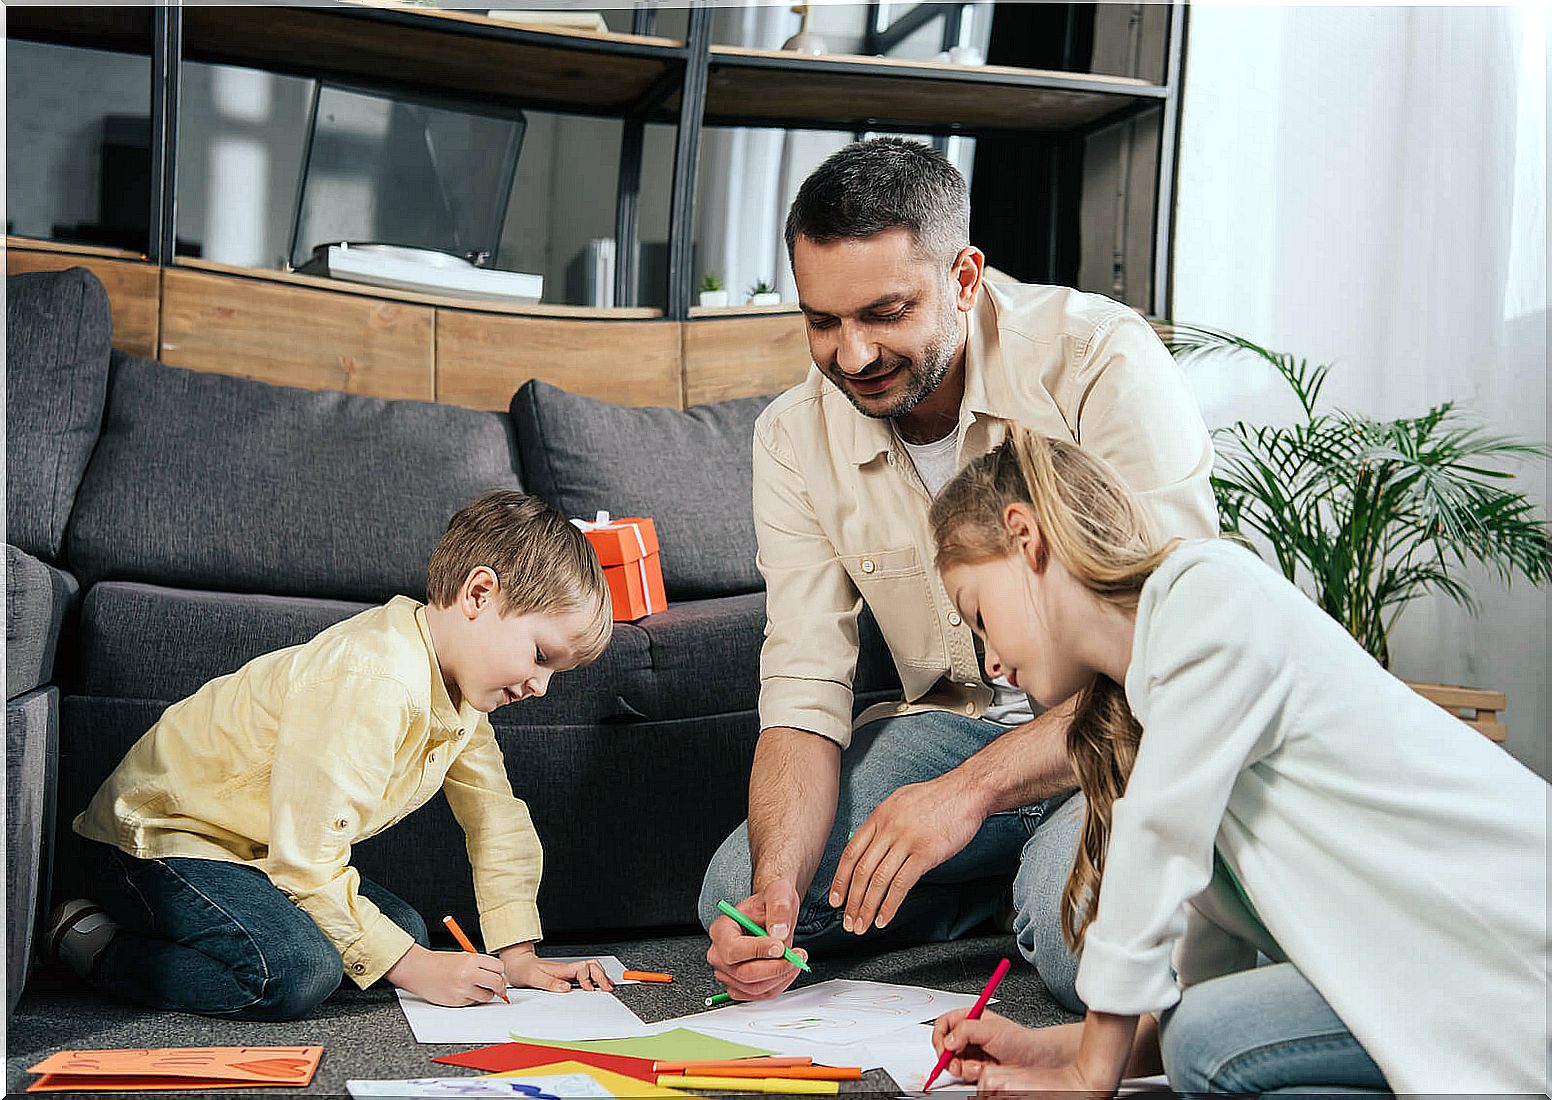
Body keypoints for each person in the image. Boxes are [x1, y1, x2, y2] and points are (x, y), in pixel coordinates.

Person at [699, 137, 1219, 1009]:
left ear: (965, 279)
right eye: (823, 321)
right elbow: (803, 685)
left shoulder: (1099, 362)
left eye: (886, 312)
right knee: (738, 889)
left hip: (1112, 735)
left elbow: (1180, 652)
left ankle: (1017, 879)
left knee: (1079, 945)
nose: (853, 356)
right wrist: (777, 897)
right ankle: (999, 880)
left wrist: (965, 797)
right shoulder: (792, 437)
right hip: (951, 727)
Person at [924, 429, 1547, 1093]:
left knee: (1208, 1042)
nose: (989, 659)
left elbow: (1156, 845)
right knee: (1206, 1035)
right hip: (1425, 962)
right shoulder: (1156, 696)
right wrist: (1051, 1050)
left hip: (1507, 951)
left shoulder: (1207, 601)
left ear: (1026, 538)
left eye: (980, 614)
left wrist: (1092, 1074)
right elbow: (1206, 971)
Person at [46, 491, 619, 1021]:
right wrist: (414, 966)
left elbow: (495, 816)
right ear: (477, 594)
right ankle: (99, 946)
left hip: (257, 849)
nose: (542, 686)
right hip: (157, 840)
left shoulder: (463, 694)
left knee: (403, 929)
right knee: (298, 972)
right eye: (541, 655)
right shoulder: (372, 678)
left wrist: (516, 953)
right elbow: (308, 864)